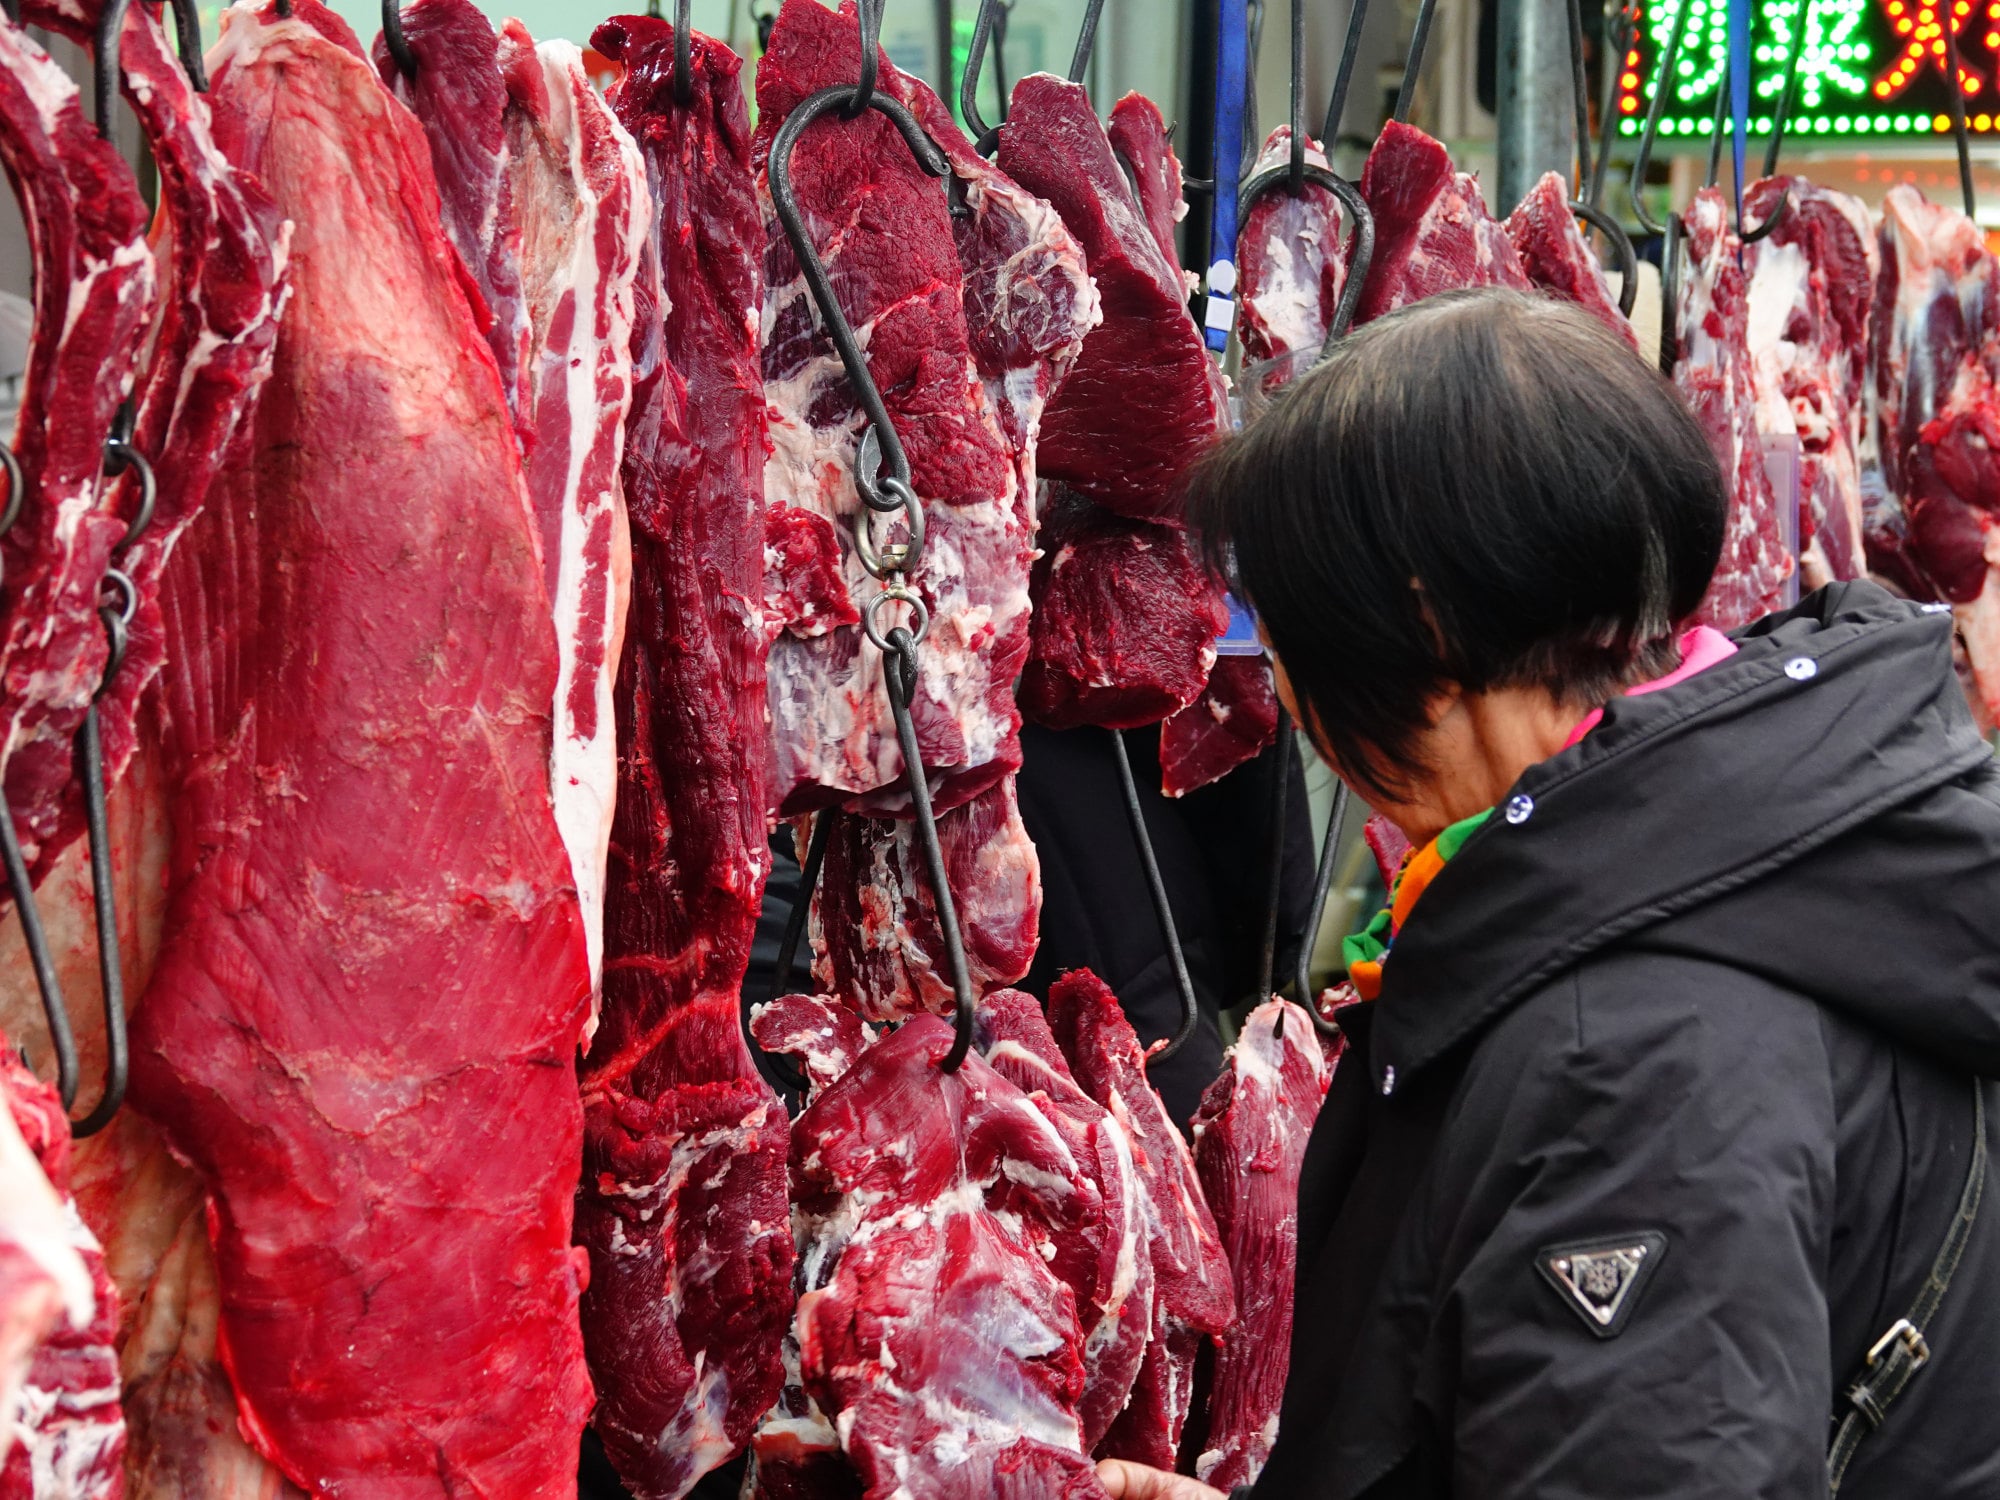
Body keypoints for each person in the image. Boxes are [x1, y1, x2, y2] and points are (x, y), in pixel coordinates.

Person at [1098, 288, 2000, 1499]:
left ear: (1419, 640)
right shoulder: (1726, 865)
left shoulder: (1627, 1053)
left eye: (1294, 634)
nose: (1292, 705)